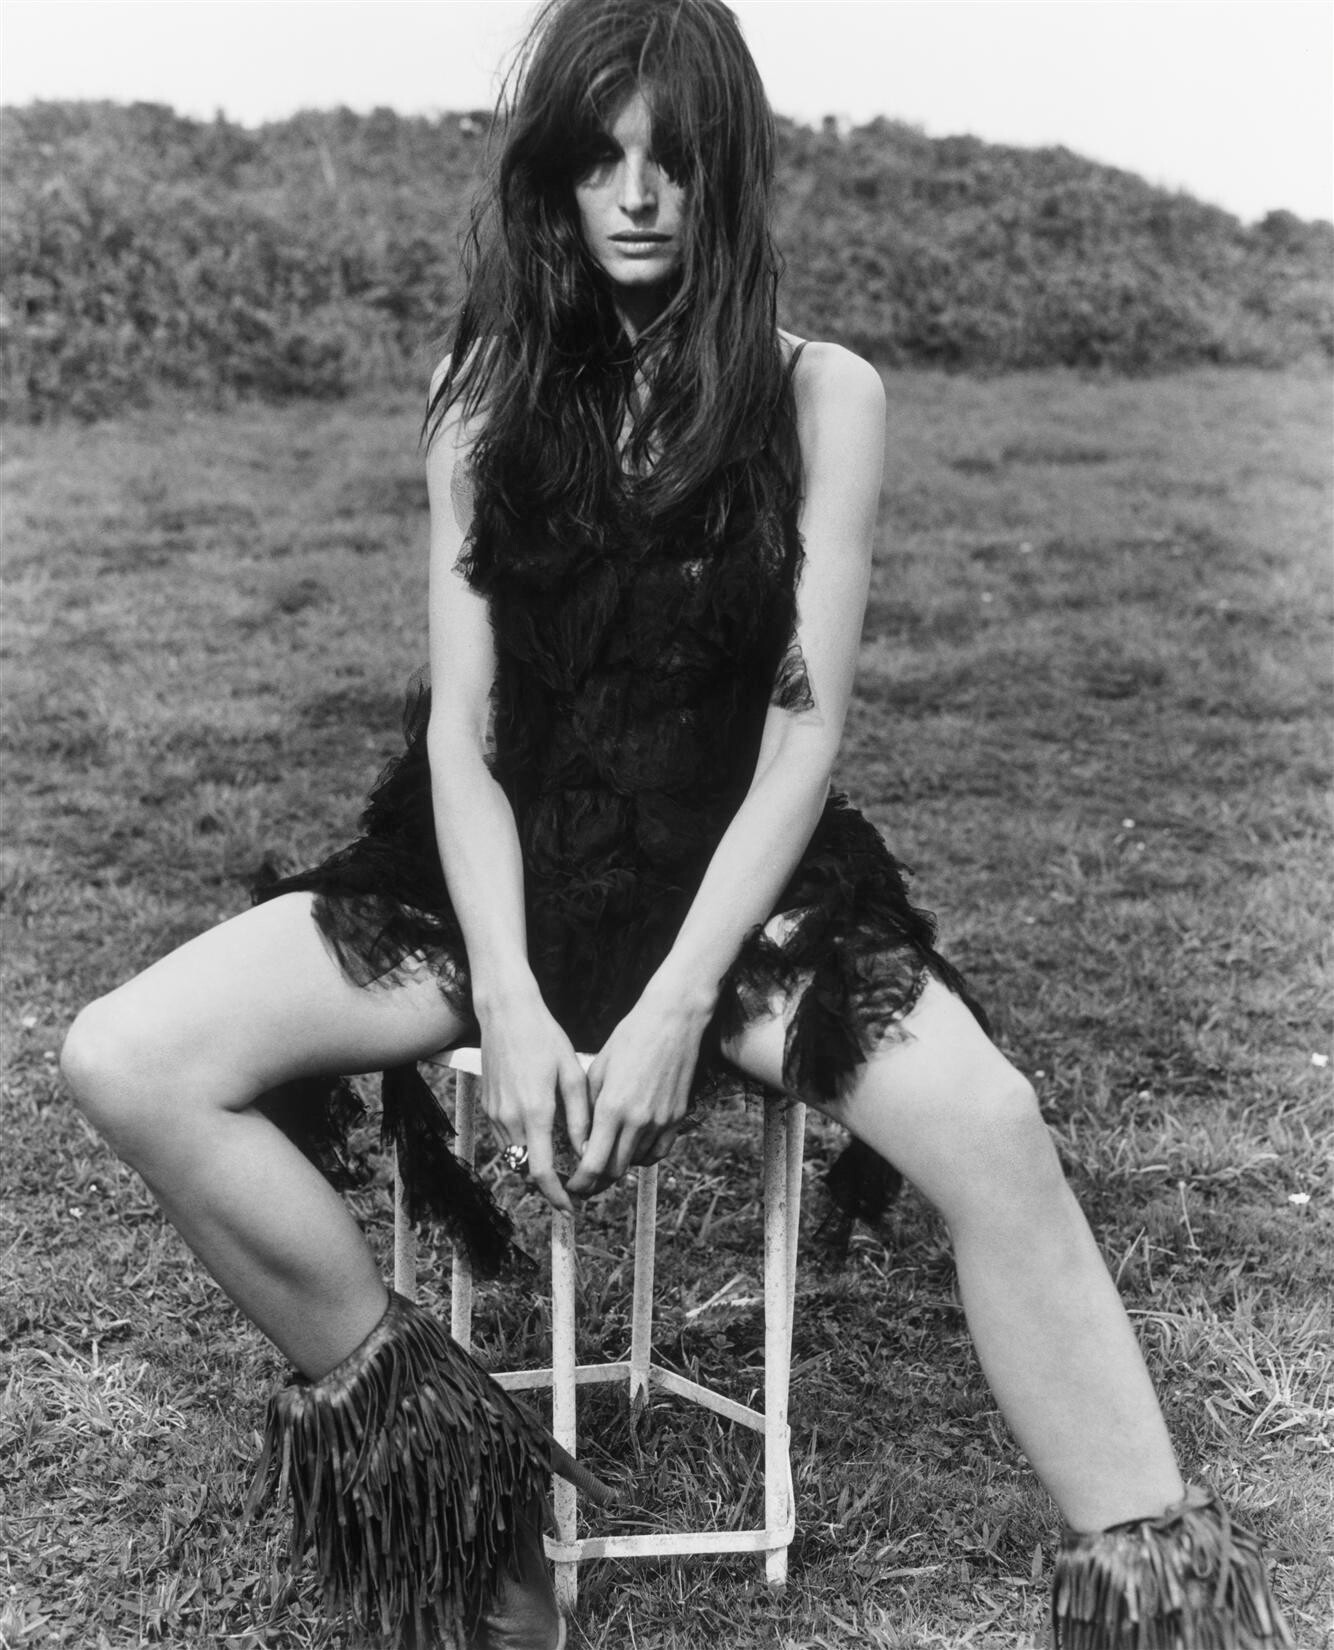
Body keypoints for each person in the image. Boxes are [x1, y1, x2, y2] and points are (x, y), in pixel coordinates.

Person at [60, 2, 1293, 1647]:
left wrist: (670, 1006)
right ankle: (470, 1498)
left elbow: (802, 728)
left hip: (740, 879)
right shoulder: (477, 394)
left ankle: (1166, 1609)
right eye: (600, 159)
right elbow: (465, 735)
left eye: (675, 160)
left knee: (991, 1121)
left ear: (730, 176)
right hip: (489, 868)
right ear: (552, 181)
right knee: (125, 1054)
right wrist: (508, 995)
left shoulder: (822, 394)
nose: (637, 196)